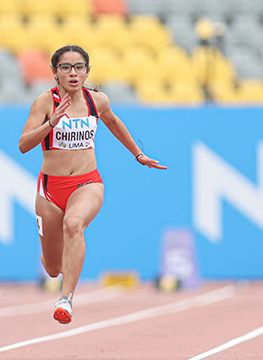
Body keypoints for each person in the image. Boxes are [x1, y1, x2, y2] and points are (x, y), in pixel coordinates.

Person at [18, 45, 167, 324]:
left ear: (87, 72)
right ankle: (54, 262)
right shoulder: (44, 102)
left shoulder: (97, 101)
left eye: (78, 67)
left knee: (74, 224)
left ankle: (66, 300)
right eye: (65, 67)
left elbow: (114, 123)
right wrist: (51, 123)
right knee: (52, 267)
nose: (73, 73)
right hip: (50, 190)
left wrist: (138, 154)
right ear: (54, 73)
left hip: (87, 182)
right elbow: (24, 145)